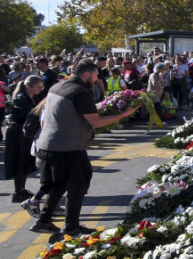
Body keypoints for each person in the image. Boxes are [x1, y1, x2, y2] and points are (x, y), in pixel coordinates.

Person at [29, 61, 139, 235]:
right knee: (77, 185)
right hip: (68, 146)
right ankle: (71, 226)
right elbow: (95, 122)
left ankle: (43, 221)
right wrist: (126, 113)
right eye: (95, 76)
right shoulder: (80, 92)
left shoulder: (58, 87)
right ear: (85, 75)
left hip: (47, 144)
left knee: (58, 184)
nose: (96, 80)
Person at [5, 76, 42, 202]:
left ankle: (21, 189)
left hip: (24, 132)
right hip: (18, 133)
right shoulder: (21, 99)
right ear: (28, 87)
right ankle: (17, 192)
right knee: (19, 162)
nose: (41, 89)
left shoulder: (29, 98)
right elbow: (28, 115)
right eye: (38, 87)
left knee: (26, 161)